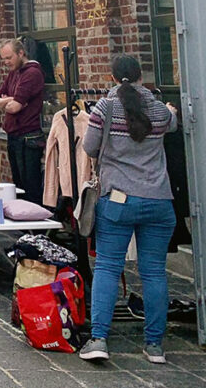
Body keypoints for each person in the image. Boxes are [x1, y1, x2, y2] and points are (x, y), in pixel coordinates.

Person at [79, 55, 178, 365]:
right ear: (140, 76)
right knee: (153, 273)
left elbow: (89, 148)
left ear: (112, 76)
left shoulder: (105, 108)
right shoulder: (160, 110)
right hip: (158, 201)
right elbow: (173, 123)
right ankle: (154, 346)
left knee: (108, 267)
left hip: (118, 199)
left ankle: (98, 339)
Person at [0, 37, 47, 204]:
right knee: (18, 186)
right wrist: (9, 100)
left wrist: (7, 101)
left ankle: (35, 227)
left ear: (21, 53)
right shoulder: (13, 74)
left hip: (28, 137)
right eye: (4, 59)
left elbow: (14, 107)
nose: (6, 62)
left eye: (9, 58)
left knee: (30, 187)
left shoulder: (32, 73)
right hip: (14, 135)